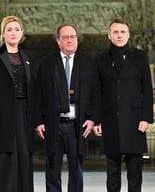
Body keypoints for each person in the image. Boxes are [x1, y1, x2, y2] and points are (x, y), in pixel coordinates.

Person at [35, 23, 100, 192]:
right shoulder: (46, 64)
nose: (70, 40)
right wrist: (38, 121)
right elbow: (38, 95)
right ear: (58, 40)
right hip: (53, 124)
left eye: (73, 37)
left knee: (76, 170)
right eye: (65, 37)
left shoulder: (88, 63)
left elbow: (96, 94)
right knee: (52, 170)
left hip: (77, 125)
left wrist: (93, 119)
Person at [93, 19, 153, 192]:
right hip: (110, 120)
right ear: (109, 35)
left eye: (123, 32)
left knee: (135, 171)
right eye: (116, 32)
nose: (119, 35)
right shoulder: (100, 59)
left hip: (135, 121)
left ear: (128, 34)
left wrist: (146, 117)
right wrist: (97, 120)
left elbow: (147, 89)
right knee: (112, 171)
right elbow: (97, 92)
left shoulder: (140, 56)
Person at [0, 16, 35, 192]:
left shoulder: (26, 57)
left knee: (23, 156)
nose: (13, 33)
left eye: (17, 29)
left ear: (22, 33)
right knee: (3, 157)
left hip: (23, 114)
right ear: (3, 33)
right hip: (2, 114)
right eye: (9, 29)